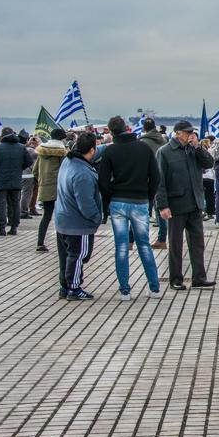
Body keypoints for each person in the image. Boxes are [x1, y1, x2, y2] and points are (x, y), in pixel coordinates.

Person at [98, 116, 162, 300]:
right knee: (144, 245)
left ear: (110, 132)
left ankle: (125, 289)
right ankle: (154, 288)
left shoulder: (110, 151)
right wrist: (148, 198)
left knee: (122, 246)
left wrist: (110, 197)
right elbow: (155, 177)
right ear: (127, 128)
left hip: (118, 201)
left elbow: (103, 181)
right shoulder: (143, 148)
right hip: (140, 200)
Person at [155, 120, 216, 291]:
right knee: (175, 244)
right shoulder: (165, 152)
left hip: (195, 204)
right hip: (175, 205)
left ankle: (199, 277)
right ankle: (175, 278)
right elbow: (159, 181)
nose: (191, 135)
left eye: (192, 133)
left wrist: (198, 148)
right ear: (178, 133)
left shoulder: (193, 149)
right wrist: (162, 206)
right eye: (188, 132)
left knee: (198, 243)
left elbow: (209, 163)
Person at [54, 133, 102, 301]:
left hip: (62, 218)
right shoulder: (83, 173)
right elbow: (86, 203)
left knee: (66, 255)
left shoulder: (68, 162)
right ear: (91, 150)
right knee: (78, 255)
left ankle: (64, 286)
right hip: (78, 223)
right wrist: (97, 217)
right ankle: (74, 287)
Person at [0, 127, 33, 236]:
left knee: (1, 204)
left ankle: (2, 228)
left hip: (1, 180)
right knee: (15, 203)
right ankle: (14, 227)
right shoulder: (21, 148)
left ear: (2, 136)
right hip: (16, 179)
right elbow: (29, 161)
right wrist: (19, 168)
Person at [33, 128, 68, 252]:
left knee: (46, 216)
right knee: (61, 216)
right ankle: (63, 244)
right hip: (59, 188)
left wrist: (42, 182)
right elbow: (65, 171)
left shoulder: (41, 151)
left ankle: (40, 243)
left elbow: (35, 171)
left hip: (45, 187)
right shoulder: (62, 152)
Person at [138, 118, 169, 248]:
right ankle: (162, 239)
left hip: (147, 180)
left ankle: (133, 239)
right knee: (160, 209)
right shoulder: (164, 140)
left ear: (144, 128)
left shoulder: (142, 142)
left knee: (142, 211)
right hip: (162, 177)